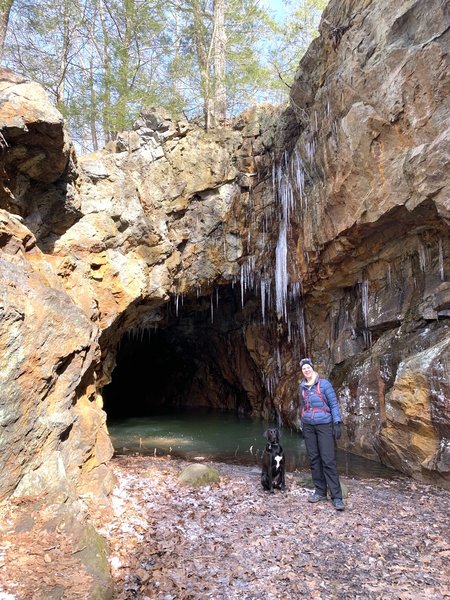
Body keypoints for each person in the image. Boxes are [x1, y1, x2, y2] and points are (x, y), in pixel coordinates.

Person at [299, 357, 345, 511]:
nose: (306, 370)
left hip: (324, 425)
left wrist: (337, 423)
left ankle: (337, 496)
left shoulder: (324, 384)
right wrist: (302, 422)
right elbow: (303, 406)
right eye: (303, 368)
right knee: (314, 459)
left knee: (328, 459)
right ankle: (320, 491)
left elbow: (333, 404)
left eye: (308, 367)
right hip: (308, 426)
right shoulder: (302, 387)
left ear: (312, 368)